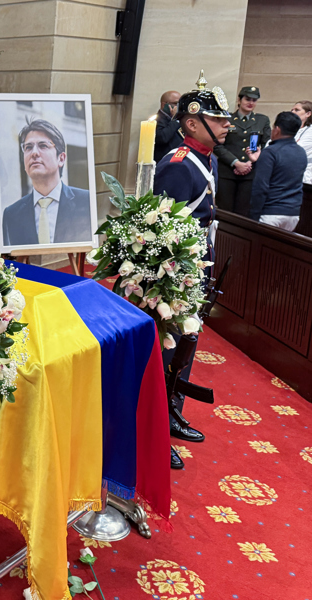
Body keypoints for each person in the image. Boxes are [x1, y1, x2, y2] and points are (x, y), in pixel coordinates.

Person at [153, 71, 231, 470]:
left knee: (186, 347)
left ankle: (172, 414)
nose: (226, 124)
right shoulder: (179, 164)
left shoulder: (206, 159)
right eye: (217, 119)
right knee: (168, 351)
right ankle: (155, 427)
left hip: (196, 267)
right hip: (176, 276)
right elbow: (163, 231)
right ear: (191, 122)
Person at [1, 119, 92, 246]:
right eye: (28, 147)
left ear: (61, 158)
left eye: (43, 146)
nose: (34, 153)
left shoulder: (87, 202)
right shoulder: (11, 214)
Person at [214, 85, 271, 217]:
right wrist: (236, 163)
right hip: (227, 172)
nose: (251, 103)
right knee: (225, 211)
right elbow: (217, 145)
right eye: (247, 99)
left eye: (254, 100)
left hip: (250, 173)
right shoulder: (226, 119)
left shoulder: (261, 120)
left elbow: (267, 145)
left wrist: (251, 162)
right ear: (239, 100)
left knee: (244, 212)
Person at [248, 111, 307, 231]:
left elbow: (260, 187)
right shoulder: (301, 152)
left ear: (277, 129)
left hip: (270, 213)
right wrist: (257, 162)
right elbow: (284, 175)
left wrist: (253, 216)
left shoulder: (270, 152)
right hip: (293, 213)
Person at [291, 100, 312, 235]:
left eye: (297, 110)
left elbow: (296, 149)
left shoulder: (310, 132)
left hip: (306, 182)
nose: (292, 112)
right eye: (292, 109)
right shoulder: (292, 130)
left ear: (308, 114)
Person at [154, 90, 183, 161]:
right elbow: (163, 137)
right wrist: (175, 119)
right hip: (165, 160)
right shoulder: (157, 120)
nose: (178, 107)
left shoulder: (180, 119)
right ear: (164, 105)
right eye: (176, 103)